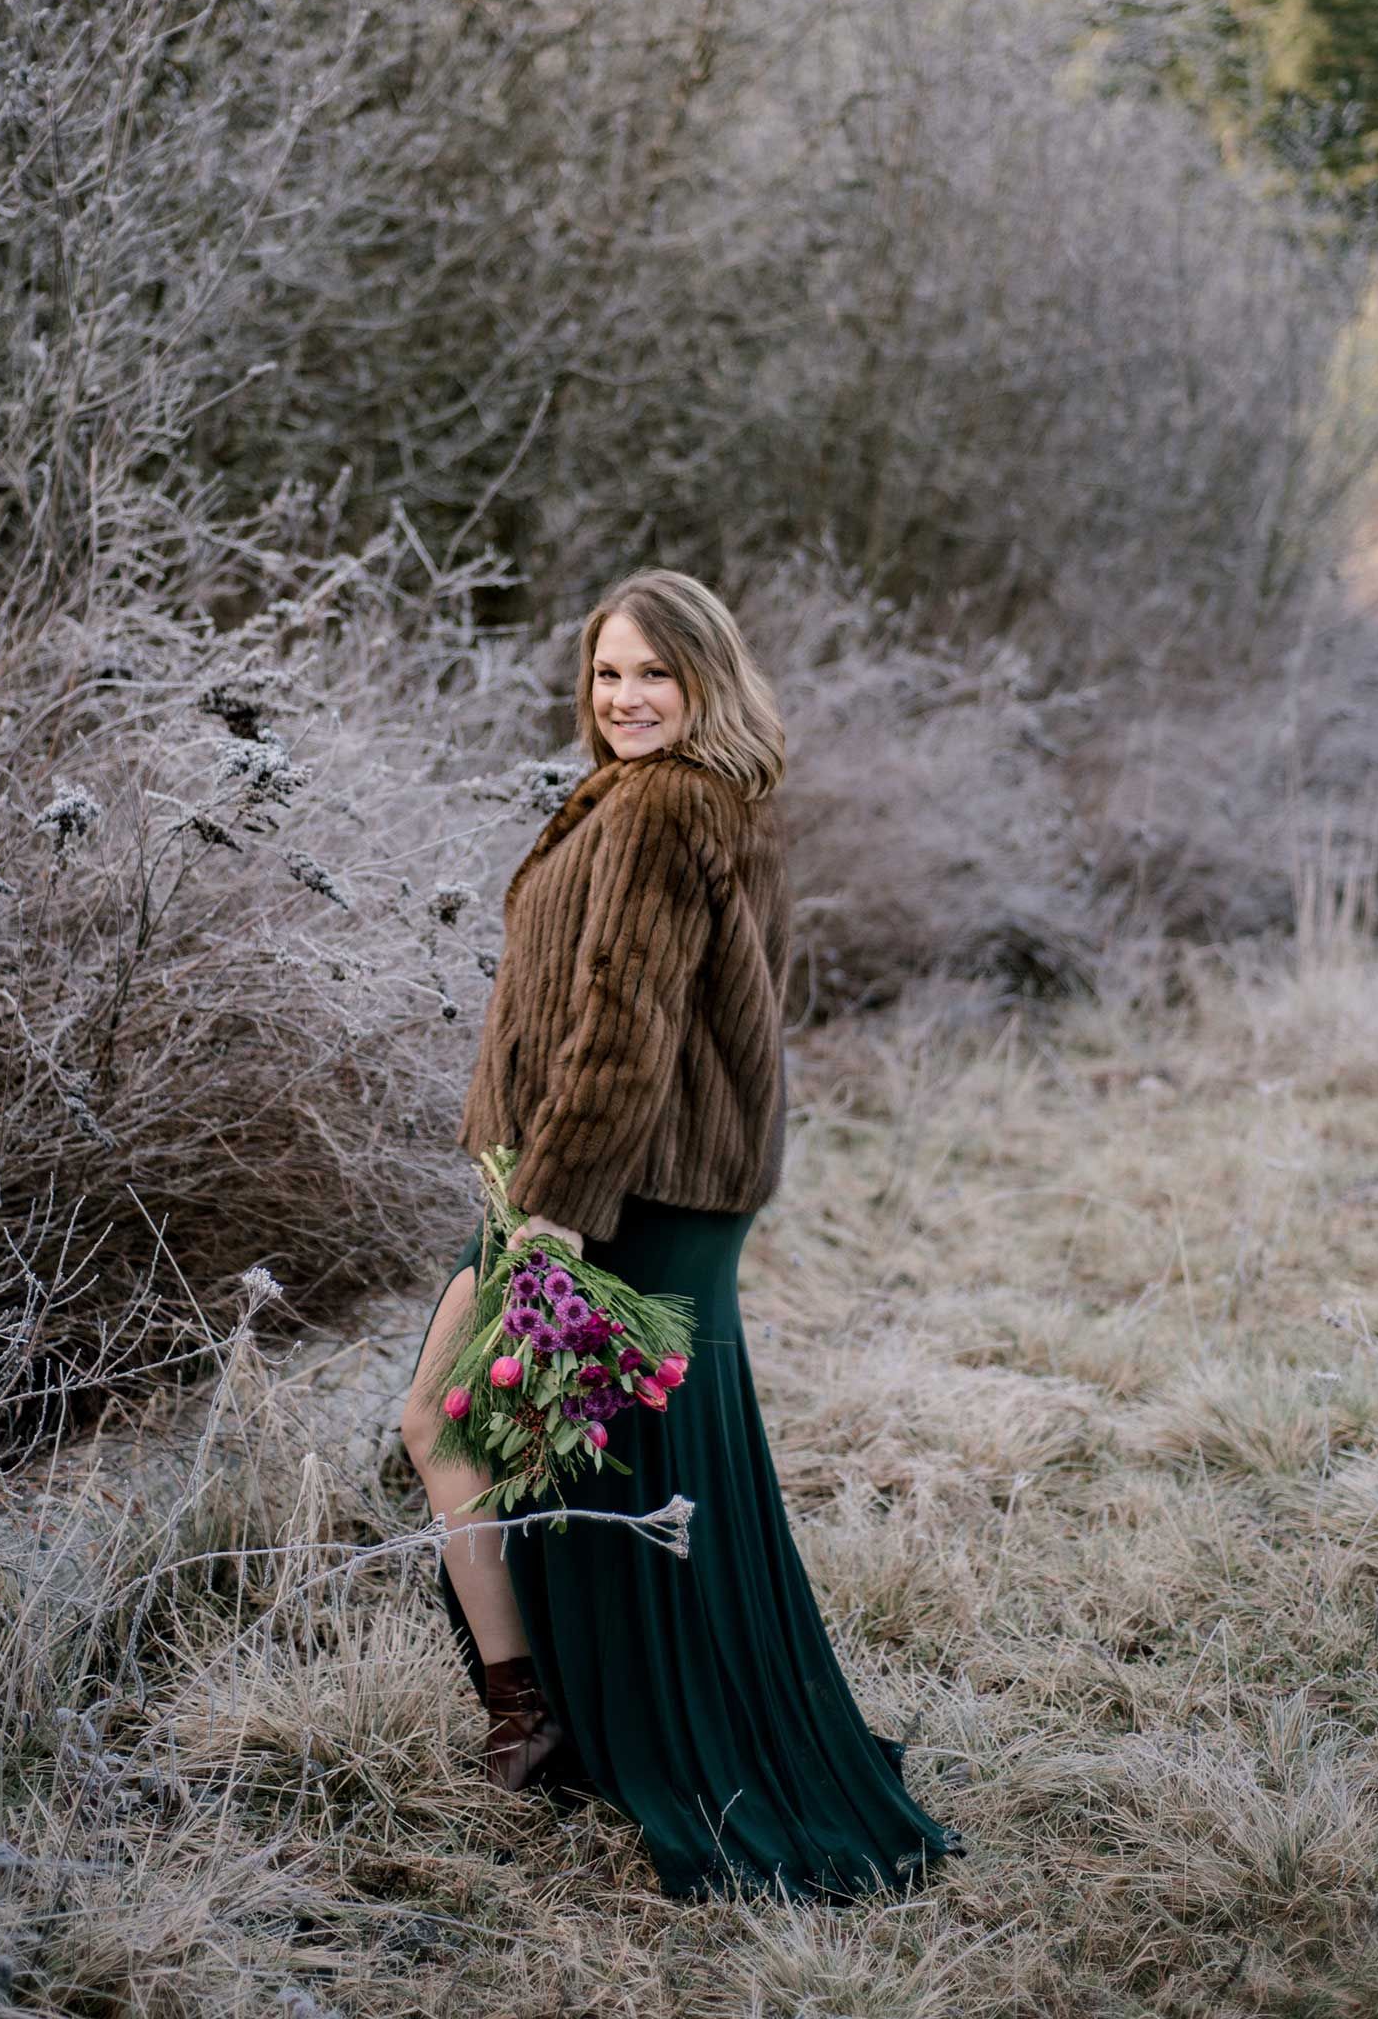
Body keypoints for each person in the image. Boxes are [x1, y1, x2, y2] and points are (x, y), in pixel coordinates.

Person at [399, 567, 964, 1904]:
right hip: (638, 1186)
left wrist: (549, 1214)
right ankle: (571, 1715)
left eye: (654, 672)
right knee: (592, 1461)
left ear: (706, 677)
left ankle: (542, 1717)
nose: (627, 697)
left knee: (456, 1427)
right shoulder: (701, 796)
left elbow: (625, 1020)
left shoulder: (663, 805)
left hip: (610, 1192)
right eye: (607, 673)